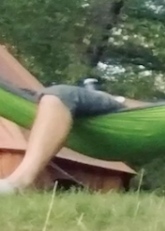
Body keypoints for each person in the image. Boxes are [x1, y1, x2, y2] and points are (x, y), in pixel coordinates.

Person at [0, 80, 149, 194]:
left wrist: (118, 100)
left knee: (61, 94)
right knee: (42, 96)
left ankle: (19, 183)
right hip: (90, 106)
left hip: (118, 109)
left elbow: (162, 109)